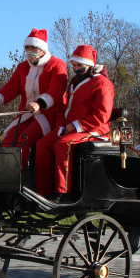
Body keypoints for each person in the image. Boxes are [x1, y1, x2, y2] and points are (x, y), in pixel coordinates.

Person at [34, 44, 115, 197]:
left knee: (64, 144)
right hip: (69, 127)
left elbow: (102, 115)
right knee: (43, 144)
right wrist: (61, 125)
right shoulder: (74, 82)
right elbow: (65, 107)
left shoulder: (102, 84)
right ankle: (43, 192)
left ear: (89, 65)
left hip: (94, 130)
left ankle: (63, 192)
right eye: (74, 65)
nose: (76, 68)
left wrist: (77, 126)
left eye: (79, 65)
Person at [0, 28, 68, 169]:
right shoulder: (22, 67)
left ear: (42, 49)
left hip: (49, 116)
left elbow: (56, 90)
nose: (30, 51)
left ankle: (18, 176)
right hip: (26, 115)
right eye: (27, 47)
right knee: (7, 140)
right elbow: (11, 89)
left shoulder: (57, 64)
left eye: (33, 47)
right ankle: (3, 174)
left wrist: (40, 103)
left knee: (24, 141)